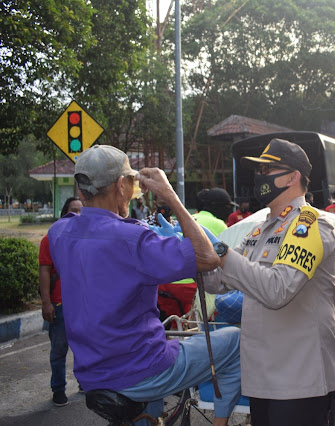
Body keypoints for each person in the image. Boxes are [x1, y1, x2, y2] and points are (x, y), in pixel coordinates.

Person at [46, 144, 241, 426]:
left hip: (91, 371)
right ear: (121, 186)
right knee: (233, 340)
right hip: (140, 369)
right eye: (132, 183)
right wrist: (170, 196)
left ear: (80, 191)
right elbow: (208, 257)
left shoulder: (59, 232)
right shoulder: (134, 239)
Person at [203, 138, 335, 426]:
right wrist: (197, 253)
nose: (259, 178)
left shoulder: (310, 225)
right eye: (259, 171)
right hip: (263, 377)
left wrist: (221, 252)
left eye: (267, 170)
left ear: (292, 177)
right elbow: (218, 283)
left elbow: (277, 290)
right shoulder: (258, 231)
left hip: (300, 379)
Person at [38, 197, 83, 407]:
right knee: (59, 350)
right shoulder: (50, 239)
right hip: (59, 304)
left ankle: (85, 382)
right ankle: (58, 388)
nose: (77, 215)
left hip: (83, 303)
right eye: (73, 211)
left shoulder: (87, 239)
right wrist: (46, 302)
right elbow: (45, 270)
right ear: (64, 213)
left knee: (85, 346)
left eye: (81, 211)